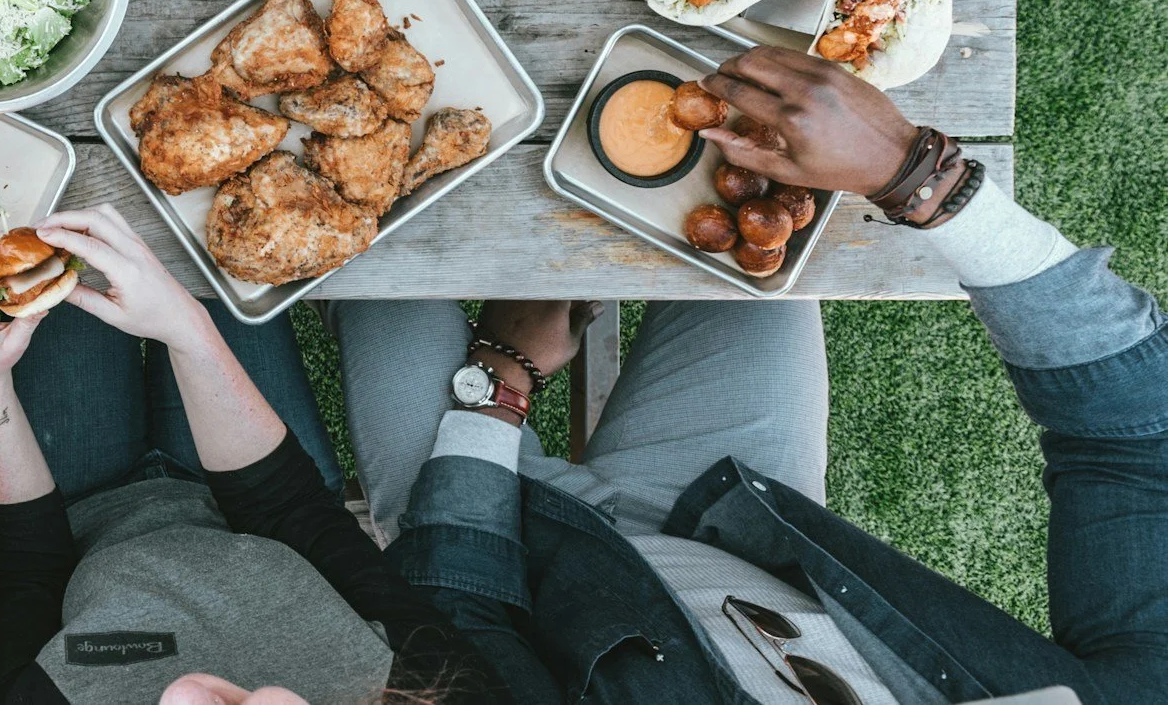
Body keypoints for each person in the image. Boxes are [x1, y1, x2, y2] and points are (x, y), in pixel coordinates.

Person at [334, 47, 1166, 704]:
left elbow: (463, 620)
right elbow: (1136, 440)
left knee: (355, 233)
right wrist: (911, 172)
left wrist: (501, 381)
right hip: (728, 513)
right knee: (750, 212)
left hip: (499, 549)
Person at [0, 205, 505, 705]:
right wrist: (188, 330)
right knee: (218, 235)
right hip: (259, 506)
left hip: (73, 512)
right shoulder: (433, 688)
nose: (185, 691)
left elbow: (27, 572)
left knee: (46, 216)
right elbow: (292, 512)